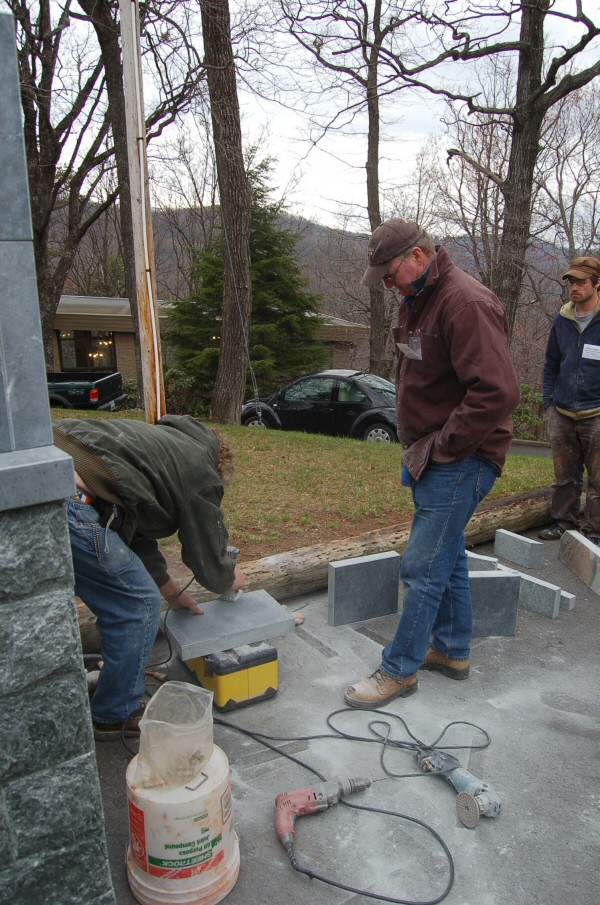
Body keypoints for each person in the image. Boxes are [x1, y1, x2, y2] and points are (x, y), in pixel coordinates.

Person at [345, 218, 521, 709]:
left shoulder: (465, 302)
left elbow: (499, 392)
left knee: (422, 567)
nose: (386, 283)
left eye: (390, 273)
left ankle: (398, 670)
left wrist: (444, 446)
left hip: (461, 456)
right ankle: (451, 650)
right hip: (432, 453)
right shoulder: (420, 299)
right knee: (450, 556)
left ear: (418, 257)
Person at [54, 415, 245, 739]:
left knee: (125, 596)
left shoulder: (160, 446)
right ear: (220, 467)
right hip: (68, 498)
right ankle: (114, 713)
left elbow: (131, 528)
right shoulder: (200, 472)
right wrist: (231, 577)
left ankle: (114, 680)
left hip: (42, 471)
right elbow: (208, 558)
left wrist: (171, 591)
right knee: (138, 604)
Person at [539, 256, 600, 543]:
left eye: (581, 282)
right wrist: (549, 400)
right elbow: (551, 362)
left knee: (598, 480)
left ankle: (594, 531)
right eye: (571, 282)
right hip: (562, 411)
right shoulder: (563, 319)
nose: (574, 287)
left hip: (595, 413)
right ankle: (564, 522)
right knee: (564, 475)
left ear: (597, 284)